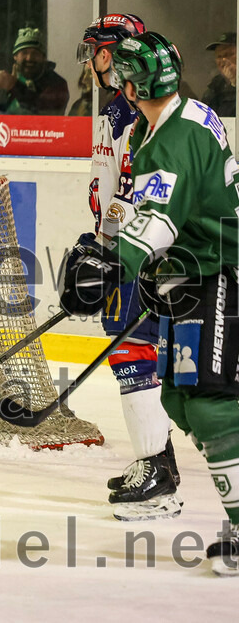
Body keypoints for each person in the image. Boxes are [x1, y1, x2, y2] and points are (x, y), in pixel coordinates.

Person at [59, 31, 239, 575]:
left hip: (220, 272)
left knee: (208, 402)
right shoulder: (173, 119)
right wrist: (110, 252)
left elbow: (157, 220)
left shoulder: (171, 140)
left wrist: (112, 266)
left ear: (134, 84)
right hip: (192, 272)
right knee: (180, 398)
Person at [73, 13, 181, 522]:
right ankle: (158, 465)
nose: (90, 62)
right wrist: (99, 240)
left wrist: (109, 246)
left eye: (95, 51)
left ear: (112, 53)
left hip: (140, 252)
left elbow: (134, 192)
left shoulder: (134, 113)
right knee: (134, 352)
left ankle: (158, 482)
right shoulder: (121, 108)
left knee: (132, 352)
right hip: (132, 247)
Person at [0, 27, 69, 115]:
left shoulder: (57, 83)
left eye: (35, 53)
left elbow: (43, 110)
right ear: (15, 56)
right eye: (24, 53)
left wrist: (14, 86)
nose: (29, 58)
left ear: (43, 57)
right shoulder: (12, 77)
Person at [201, 31, 236, 117]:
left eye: (229, 54)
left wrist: (234, 82)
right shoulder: (216, 84)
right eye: (219, 56)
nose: (223, 60)